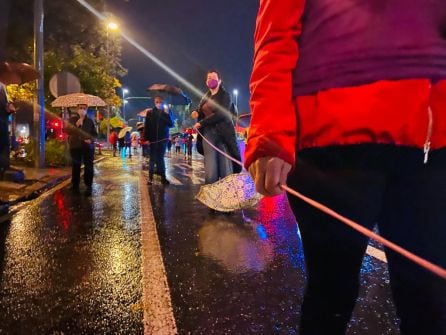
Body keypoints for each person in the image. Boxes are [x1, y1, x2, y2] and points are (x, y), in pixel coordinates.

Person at [246, 2, 446, 335]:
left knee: (431, 302)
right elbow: (276, 38)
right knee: (331, 295)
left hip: (430, 141)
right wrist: (269, 135)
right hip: (334, 137)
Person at [192, 70, 242, 186]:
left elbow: (221, 114)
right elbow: (200, 111)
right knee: (211, 170)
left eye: (213, 77)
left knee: (225, 170)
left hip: (224, 134)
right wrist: (196, 112)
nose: (210, 80)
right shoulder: (205, 97)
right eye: (208, 77)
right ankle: (212, 195)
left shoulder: (225, 96)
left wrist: (202, 122)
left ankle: (226, 195)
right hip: (208, 134)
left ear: (219, 81)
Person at [66, 104, 97, 196]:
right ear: (77, 109)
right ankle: (74, 185)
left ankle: (88, 186)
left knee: (89, 166)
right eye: (80, 108)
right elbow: (67, 130)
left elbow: (95, 134)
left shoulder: (90, 121)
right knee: (76, 166)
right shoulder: (72, 120)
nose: (82, 110)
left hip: (87, 147)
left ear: (87, 109)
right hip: (75, 146)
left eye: (84, 108)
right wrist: (76, 124)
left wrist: (90, 140)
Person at [143, 96, 173, 185]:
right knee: (152, 159)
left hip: (163, 140)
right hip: (152, 140)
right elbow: (146, 126)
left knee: (160, 159)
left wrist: (167, 114)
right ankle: (150, 178)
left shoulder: (167, 112)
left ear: (163, 102)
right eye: (157, 102)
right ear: (154, 102)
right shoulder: (150, 112)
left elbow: (171, 124)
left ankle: (163, 178)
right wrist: (146, 138)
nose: (158, 103)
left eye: (160, 102)